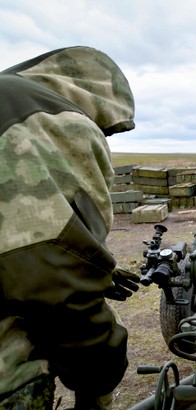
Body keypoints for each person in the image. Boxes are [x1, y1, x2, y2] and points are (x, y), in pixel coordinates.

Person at [0, 46, 140, 409]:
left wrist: (97, 267)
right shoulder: (54, 119)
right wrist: (98, 381)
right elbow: (54, 281)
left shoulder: (9, 99)